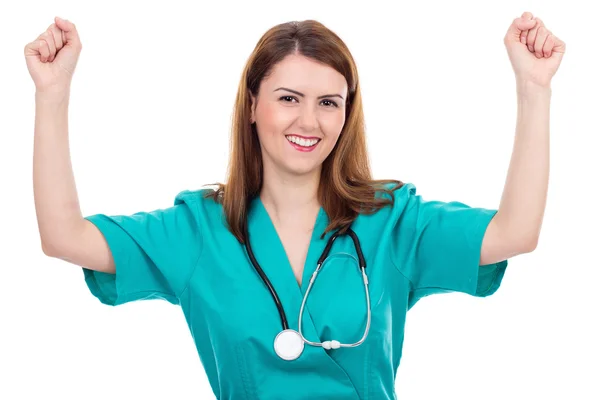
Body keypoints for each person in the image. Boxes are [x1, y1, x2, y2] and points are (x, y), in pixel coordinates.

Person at [26, 12, 565, 399]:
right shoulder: (197, 230)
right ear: (254, 105)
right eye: (289, 99)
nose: (309, 122)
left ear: (345, 115)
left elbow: (514, 232)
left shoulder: (393, 220)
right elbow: (64, 237)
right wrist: (51, 94)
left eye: (328, 103)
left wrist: (533, 89)